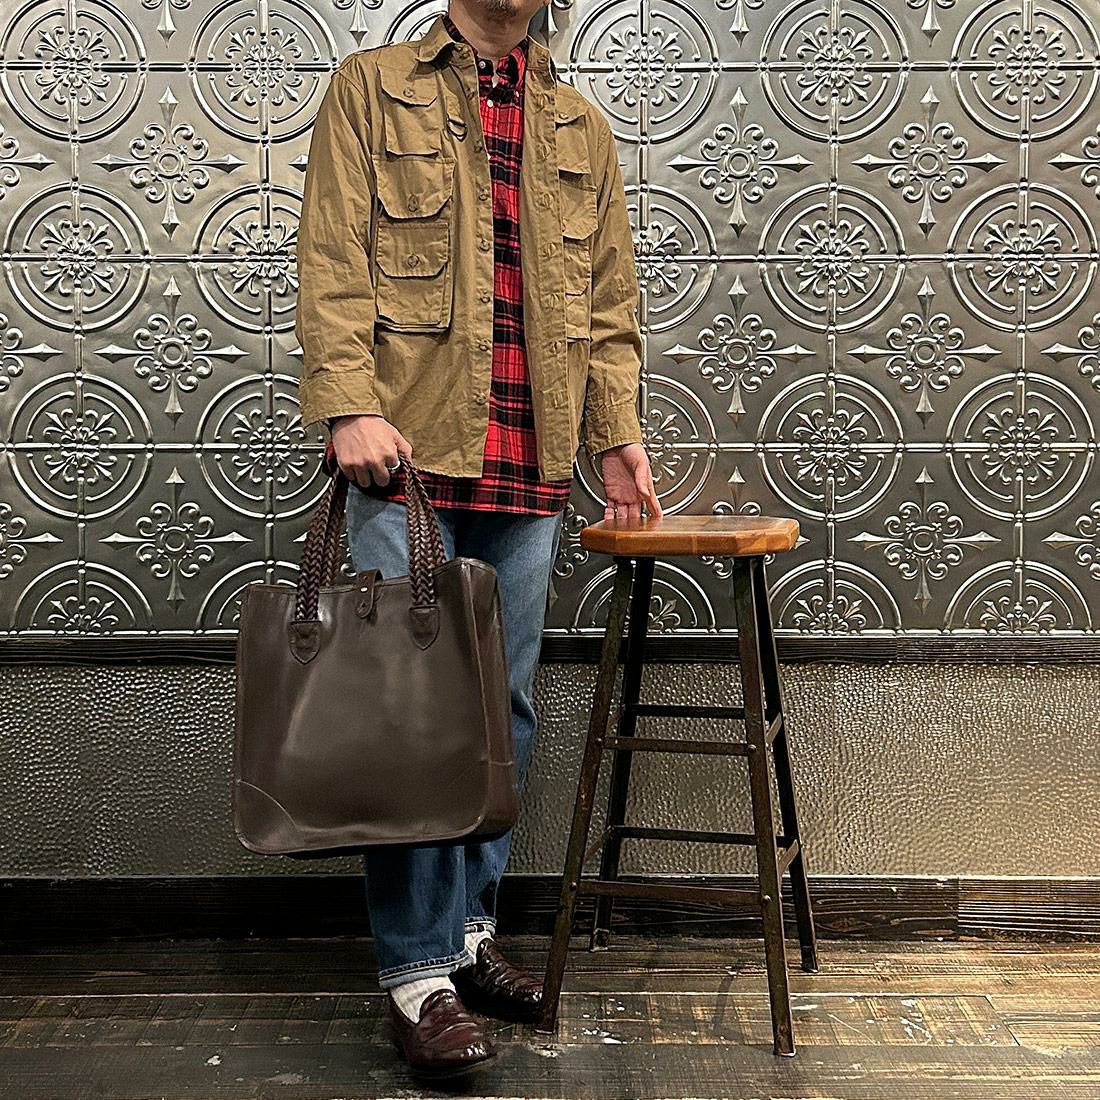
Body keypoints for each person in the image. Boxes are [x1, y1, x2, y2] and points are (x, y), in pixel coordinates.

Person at [294, 0, 661, 1080]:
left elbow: (608, 304)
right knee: (411, 722)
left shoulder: (578, 124)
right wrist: (346, 403)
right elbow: (332, 255)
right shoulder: (373, 87)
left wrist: (617, 436)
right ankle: (416, 975)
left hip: (531, 457)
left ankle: (464, 935)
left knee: (502, 712)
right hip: (404, 457)